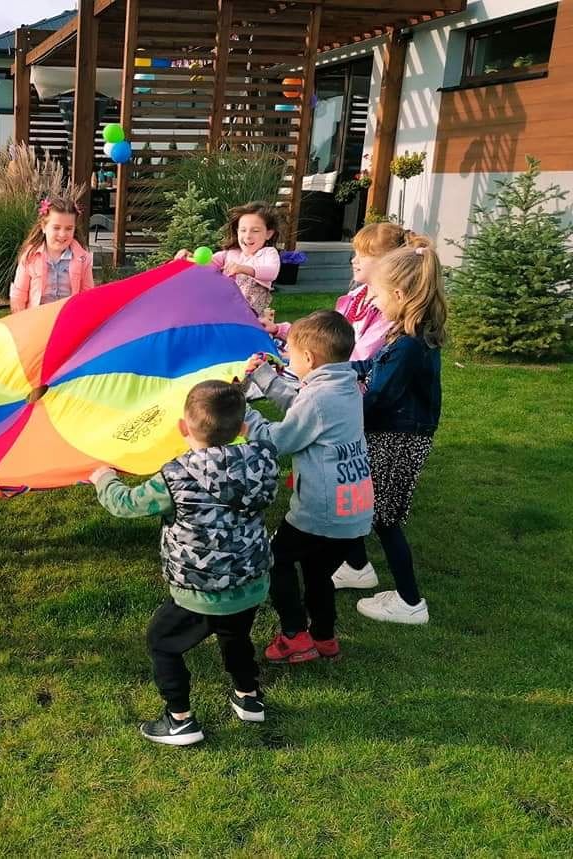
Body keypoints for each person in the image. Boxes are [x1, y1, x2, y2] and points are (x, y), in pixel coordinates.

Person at [90, 380, 279, 746]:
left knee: (162, 642)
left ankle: (179, 720)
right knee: (235, 636)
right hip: (250, 583)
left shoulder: (174, 477)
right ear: (242, 428)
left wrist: (104, 480)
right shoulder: (264, 461)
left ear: (182, 427)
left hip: (200, 591)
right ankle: (248, 697)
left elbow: (126, 504)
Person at [244, 310, 373, 663]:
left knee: (276, 559)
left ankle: (294, 634)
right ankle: (325, 636)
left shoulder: (318, 398)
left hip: (321, 509)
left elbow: (279, 440)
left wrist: (244, 415)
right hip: (354, 508)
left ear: (310, 359)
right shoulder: (343, 385)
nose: (288, 358)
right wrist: (269, 378)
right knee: (318, 572)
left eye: (291, 354)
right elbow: (300, 404)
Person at [346, 238, 447, 625]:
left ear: (401, 294)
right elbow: (368, 366)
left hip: (399, 441)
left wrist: (340, 406)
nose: (372, 301)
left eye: (377, 294)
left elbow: (378, 396)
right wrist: (336, 370)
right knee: (362, 503)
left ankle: (410, 602)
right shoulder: (402, 333)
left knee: (386, 519)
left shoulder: (409, 345)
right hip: (390, 435)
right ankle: (356, 567)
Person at [264, 223, 411, 363]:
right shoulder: (356, 296)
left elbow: (357, 356)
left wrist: (304, 356)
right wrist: (281, 330)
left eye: (363, 256)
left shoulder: (388, 309)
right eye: (355, 254)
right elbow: (327, 338)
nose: (354, 260)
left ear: (388, 263)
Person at [176, 202, 282, 316]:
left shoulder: (268, 253)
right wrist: (189, 258)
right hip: (226, 309)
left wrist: (243, 269)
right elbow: (207, 263)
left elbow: (272, 272)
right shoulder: (230, 254)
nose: (248, 236)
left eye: (255, 231)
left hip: (250, 316)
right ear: (237, 231)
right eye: (243, 230)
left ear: (268, 234)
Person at [9, 195, 94, 312]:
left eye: (69, 228)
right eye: (56, 227)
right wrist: (20, 321)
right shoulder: (30, 257)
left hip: (68, 319)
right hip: (37, 321)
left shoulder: (83, 258)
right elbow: (19, 294)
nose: (62, 234)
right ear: (44, 227)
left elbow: (88, 295)